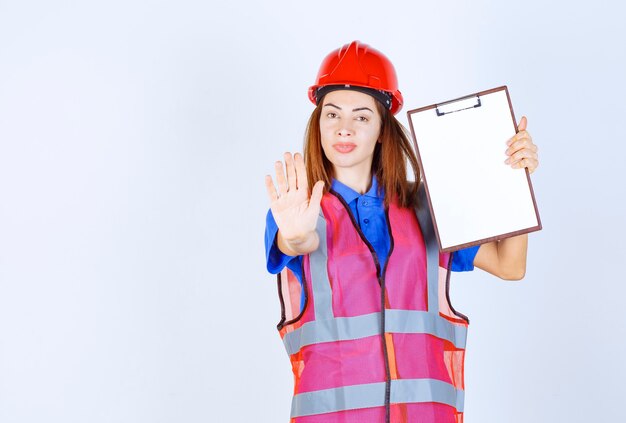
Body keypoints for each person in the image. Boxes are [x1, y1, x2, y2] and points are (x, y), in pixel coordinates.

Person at [263, 41, 539, 423]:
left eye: (361, 117)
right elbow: (299, 241)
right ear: (319, 124)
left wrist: (513, 181)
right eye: (332, 115)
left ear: (381, 129)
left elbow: (510, 266)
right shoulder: (299, 211)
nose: (344, 129)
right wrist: (293, 234)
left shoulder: (428, 206)